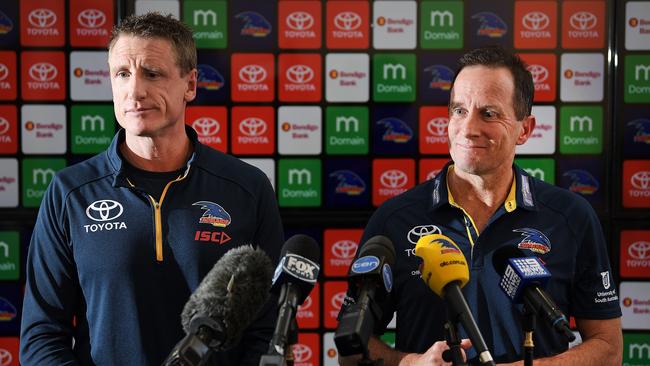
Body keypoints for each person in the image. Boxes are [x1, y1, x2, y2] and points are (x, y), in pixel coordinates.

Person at [20, 13, 284, 365]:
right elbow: (41, 335)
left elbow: (268, 331)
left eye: (152, 73)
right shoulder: (70, 192)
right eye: (122, 74)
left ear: (190, 84)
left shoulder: (247, 189)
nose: (135, 91)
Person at [340, 46, 622, 365]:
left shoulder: (571, 216)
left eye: (488, 113)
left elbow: (608, 346)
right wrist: (410, 363)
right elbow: (351, 350)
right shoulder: (394, 219)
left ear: (525, 129)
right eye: (459, 110)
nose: (468, 128)